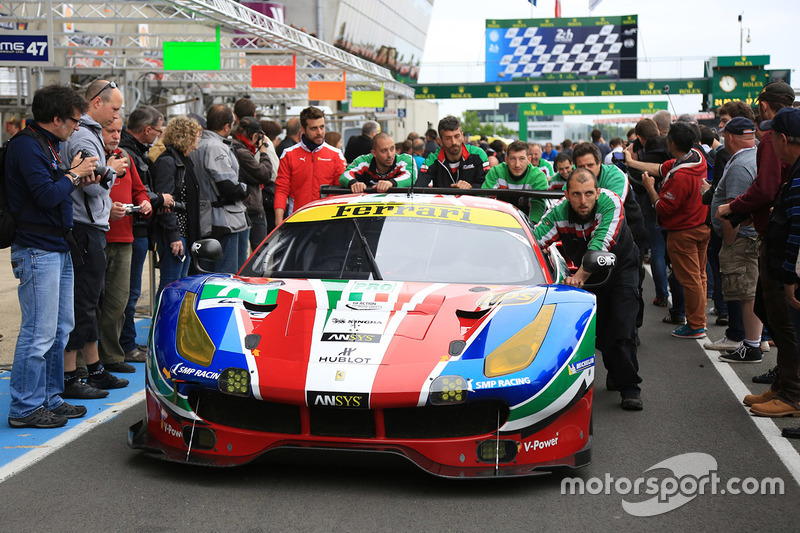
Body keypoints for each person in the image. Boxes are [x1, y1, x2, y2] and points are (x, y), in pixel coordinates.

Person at [5, 84, 99, 428]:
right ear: (56, 118)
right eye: (74, 121)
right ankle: (25, 407)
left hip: (56, 245)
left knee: (61, 329)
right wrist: (72, 174)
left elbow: (52, 188)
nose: (77, 128)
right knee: (39, 331)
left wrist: (70, 174)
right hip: (36, 247)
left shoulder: (47, 144)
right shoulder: (26, 146)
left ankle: (48, 396)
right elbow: (45, 196)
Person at [533, 168, 643, 410]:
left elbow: (599, 245)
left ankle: (630, 388)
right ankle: (615, 370)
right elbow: (534, 240)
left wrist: (579, 276)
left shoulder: (610, 202)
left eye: (588, 193)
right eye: (576, 194)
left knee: (622, 328)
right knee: (600, 333)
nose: (583, 201)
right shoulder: (558, 212)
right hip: (587, 275)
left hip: (619, 268)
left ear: (597, 191)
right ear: (566, 194)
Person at [717, 81, 796, 389]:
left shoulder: (772, 140)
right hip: (778, 232)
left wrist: (733, 208)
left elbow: (766, 189)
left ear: (764, 106)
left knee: (779, 311)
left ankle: (789, 386)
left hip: (779, 236)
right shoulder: (771, 143)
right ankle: (785, 379)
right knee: (772, 308)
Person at [60, 79, 130, 399]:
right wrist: (112, 169)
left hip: (91, 226)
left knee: (91, 301)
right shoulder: (84, 136)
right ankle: (71, 374)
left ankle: (94, 367)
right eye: (114, 109)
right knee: (84, 302)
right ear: (97, 104)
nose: (117, 116)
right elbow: (90, 184)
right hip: (85, 228)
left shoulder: (88, 135)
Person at [633, 122, 710, 338]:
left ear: (673, 143)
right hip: (701, 226)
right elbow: (662, 168)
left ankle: (696, 325)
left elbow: (663, 208)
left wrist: (650, 189)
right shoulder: (696, 157)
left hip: (683, 232)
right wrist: (633, 162)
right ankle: (699, 320)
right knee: (700, 277)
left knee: (691, 280)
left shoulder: (680, 177)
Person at [753, 107, 800, 425]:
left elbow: (797, 228)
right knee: (771, 316)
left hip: (788, 267)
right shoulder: (793, 170)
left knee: (787, 327)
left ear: (783, 139)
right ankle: (782, 385)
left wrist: (790, 276)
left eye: (773, 138)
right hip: (777, 260)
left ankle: (792, 394)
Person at [97, 116, 152, 373]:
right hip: (98, 238)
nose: (116, 135)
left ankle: (112, 356)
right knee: (92, 302)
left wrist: (145, 202)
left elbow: (139, 190)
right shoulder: (94, 158)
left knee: (118, 302)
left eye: (118, 130)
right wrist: (108, 209)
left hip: (124, 237)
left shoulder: (125, 158)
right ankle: (87, 363)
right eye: (110, 129)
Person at [705, 117, 761, 362]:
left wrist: (728, 243)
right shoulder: (754, 155)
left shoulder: (739, 165)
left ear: (728, 137)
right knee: (750, 293)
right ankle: (753, 342)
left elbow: (732, 211)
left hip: (741, 241)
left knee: (745, 295)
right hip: (751, 238)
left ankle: (750, 346)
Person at [118, 105, 166, 363]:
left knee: (129, 292)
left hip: (136, 229)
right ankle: (124, 345)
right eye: (158, 131)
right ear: (147, 129)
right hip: (131, 229)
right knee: (128, 292)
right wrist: (158, 198)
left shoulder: (135, 152)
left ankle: (125, 343)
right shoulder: (129, 154)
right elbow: (138, 192)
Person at [190, 104, 249, 273]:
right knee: (227, 275)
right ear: (227, 126)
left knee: (205, 272)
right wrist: (245, 189)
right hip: (224, 221)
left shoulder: (198, 144)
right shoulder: (216, 147)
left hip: (204, 219)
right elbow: (228, 187)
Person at [152, 116, 203, 297]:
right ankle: (161, 323)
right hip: (175, 234)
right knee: (171, 285)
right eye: (196, 135)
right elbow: (167, 202)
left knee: (180, 285)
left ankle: (171, 323)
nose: (199, 138)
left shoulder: (184, 160)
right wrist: (174, 235)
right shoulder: (168, 161)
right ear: (186, 136)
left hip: (184, 233)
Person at [627, 117, 672, 309]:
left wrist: (631, 162)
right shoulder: (670, 148)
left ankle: (662, 294)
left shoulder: (646, 157)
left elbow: (639, 185)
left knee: (658, 252)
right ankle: (682, 304)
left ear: (640, 137)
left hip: (652, 208)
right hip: (674, 207)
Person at [274, 106, 345, 225]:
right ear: (303, 129)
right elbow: (281, 189)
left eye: (322, 127)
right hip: (297, 219)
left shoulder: (336, 155)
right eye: (314, 128)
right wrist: (279, 221)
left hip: (327, 220)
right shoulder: (289, 154)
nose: (319, 132)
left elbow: (342, 191)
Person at [232, 116, 273, 253]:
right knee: (259, 254)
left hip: (243, 208)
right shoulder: (242, 153)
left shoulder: (233, 146)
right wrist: (263, 153)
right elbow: (265, 174)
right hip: (251, 209)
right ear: (255, 135)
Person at [482, 140, 549, 222]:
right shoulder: (496, 172)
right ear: (506, 159)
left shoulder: (538, 176)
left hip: (527, 225)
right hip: (499, 221)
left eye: (522, 159)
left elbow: (537, 206)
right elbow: (486, 200)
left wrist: (530, 228)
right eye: (513, 159)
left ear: (529, 160)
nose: (517, 164)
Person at [415, 116, 488, 189]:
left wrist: (471, 188)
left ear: (462, 136)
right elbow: (418, 189)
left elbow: (488, 186)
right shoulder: (432, 160)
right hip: (442, 200)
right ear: (440, 141)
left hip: (471, 200)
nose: (454, 142)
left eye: (457, 136)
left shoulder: (479, 154)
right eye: (448, 138)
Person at [340, 132, 415, 192]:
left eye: (392, 149)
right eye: (384, 151)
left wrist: (391, 183)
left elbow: (411, 177)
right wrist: (354, 183)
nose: (389, 155)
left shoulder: (405, 159)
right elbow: (344, 175)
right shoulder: (363, 161)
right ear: (374, 153)